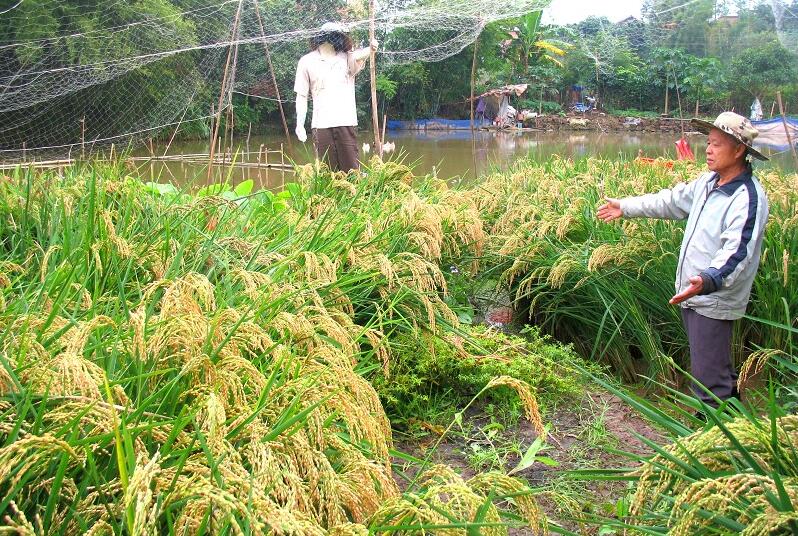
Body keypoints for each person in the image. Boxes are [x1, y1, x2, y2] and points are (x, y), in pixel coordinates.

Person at [597, 111, 770, 408]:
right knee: (714, 371)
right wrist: (625, 206)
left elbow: (736, 253)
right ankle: (736, 433)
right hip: (694, 293)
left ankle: (716, 443)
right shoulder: (708, 183)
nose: (709, 149)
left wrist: (706, 280)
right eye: (709, 142)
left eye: (717, 144)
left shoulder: (747, 198)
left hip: (713, 298)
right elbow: (671, 201)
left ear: (739, 150)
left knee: (709, 382)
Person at [294, 22, 377, 173]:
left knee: (351, 170)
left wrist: (371, 48)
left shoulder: (346, 58)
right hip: (321, 124)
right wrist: (300, 124)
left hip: (345, 121)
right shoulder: (306, 61)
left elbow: (360, 55)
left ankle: (354, 195)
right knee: (327, 172)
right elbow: (301, 95)